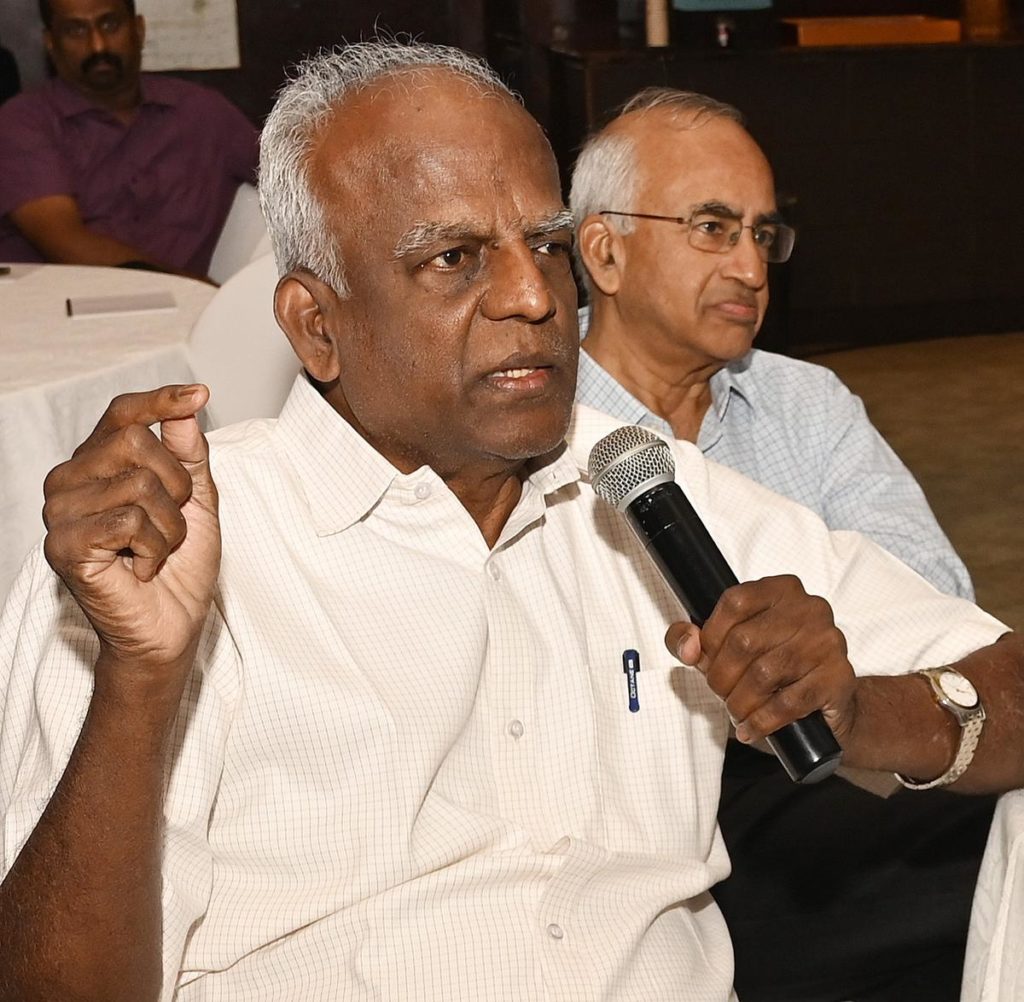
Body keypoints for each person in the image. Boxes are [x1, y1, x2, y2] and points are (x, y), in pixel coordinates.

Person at [0, 40, 1021, 1002]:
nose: (533, 295)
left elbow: (1007, 688)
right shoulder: (177, 552)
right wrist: (139, 686)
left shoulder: (644, 494)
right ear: (319, 323)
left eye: (545, 244)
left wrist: (854, 714)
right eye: (453, 258)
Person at [570, 88, 992, 1001]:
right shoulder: (531, 416)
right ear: (604, 250)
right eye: (714, 228)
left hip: (835, 766)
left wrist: (814, 660)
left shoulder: (804, 404)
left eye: (763, 235)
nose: (751, 266)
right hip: (626, 815)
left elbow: (931, 598)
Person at [0, 0, 258, 281]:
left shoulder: (202, 112)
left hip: (185, 317)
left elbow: (292, 178)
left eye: (110, 25)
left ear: (139, 29)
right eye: (75, 31)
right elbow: (66, 241)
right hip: (55, 311)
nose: (97, 46)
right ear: (50, 43)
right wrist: (196, 289)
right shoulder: (23, 121)